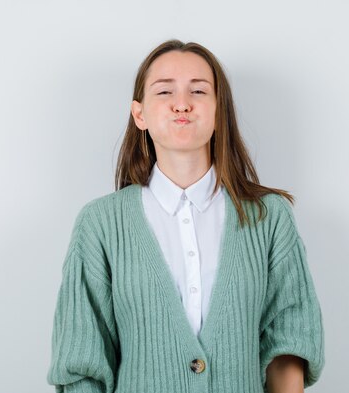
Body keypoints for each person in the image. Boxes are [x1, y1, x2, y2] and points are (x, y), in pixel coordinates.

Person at [46, 39, 325, 393]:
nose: (182, 104)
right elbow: (82, 365)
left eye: (198, 90)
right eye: (164, 92)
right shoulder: (100, 224)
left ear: (218, 111)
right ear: (140, 114)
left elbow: (288, 344)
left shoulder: (269, 219)